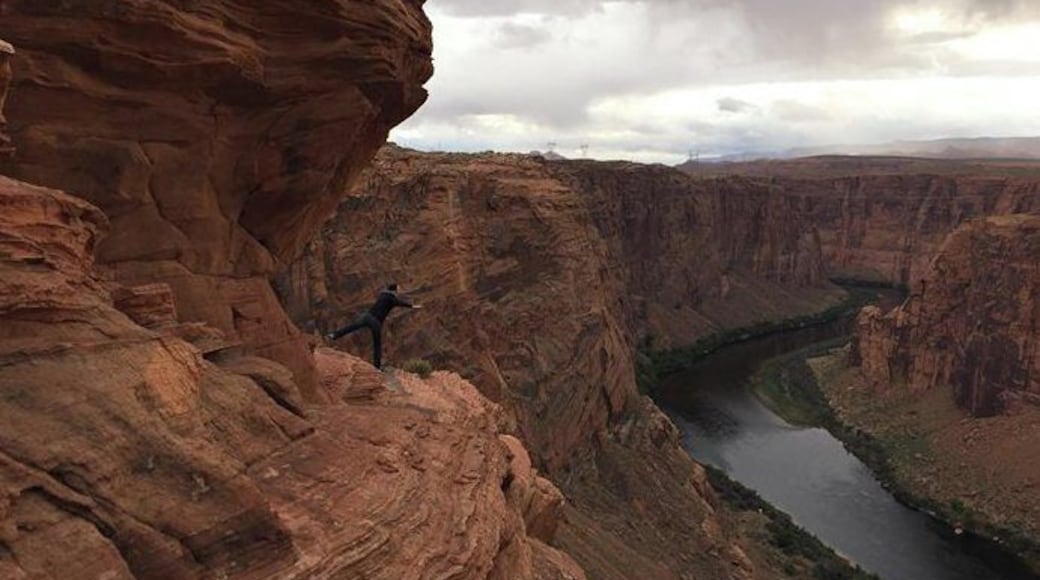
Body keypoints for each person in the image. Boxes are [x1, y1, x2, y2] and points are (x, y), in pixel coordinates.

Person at [326, 283, 421, 369]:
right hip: (376, 322)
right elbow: (401, 303)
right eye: (398, 289)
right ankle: (377, 366)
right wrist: (412, 306)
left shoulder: (382, 295)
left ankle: (334, 335)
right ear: (395, 290)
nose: (399, 291)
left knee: (351, 327)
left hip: (367, 316)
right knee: (377, 344)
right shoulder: (392, 299)